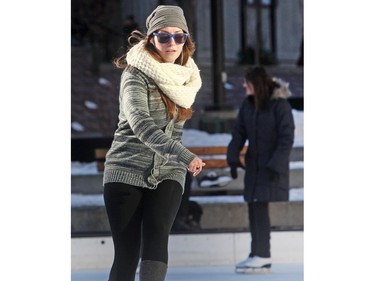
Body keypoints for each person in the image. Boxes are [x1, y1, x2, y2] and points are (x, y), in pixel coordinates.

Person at [103, 5, 205, 281]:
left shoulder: (186, 76)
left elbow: (175, 130)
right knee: (127, 254)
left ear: (186, 39)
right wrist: (184, 156)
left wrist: (177, 159)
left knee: (157, 236)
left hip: (168, 170)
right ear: (151, 39)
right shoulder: (135, 75)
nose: (172, 43)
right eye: (163, 36)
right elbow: (141, 125)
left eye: (178, 36)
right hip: (126, 169)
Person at [227, 66, 295, 272]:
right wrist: (232, 157)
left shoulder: (279, 106)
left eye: (247, 83)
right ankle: (256, 252)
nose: (244, 86)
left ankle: (263, 254)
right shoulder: (248, 105)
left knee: (260, 210)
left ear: (257, 84)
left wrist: (276, 165)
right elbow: (238, 132)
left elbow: (286, 138)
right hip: (255, 167)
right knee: (253, 208)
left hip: (270, 167)